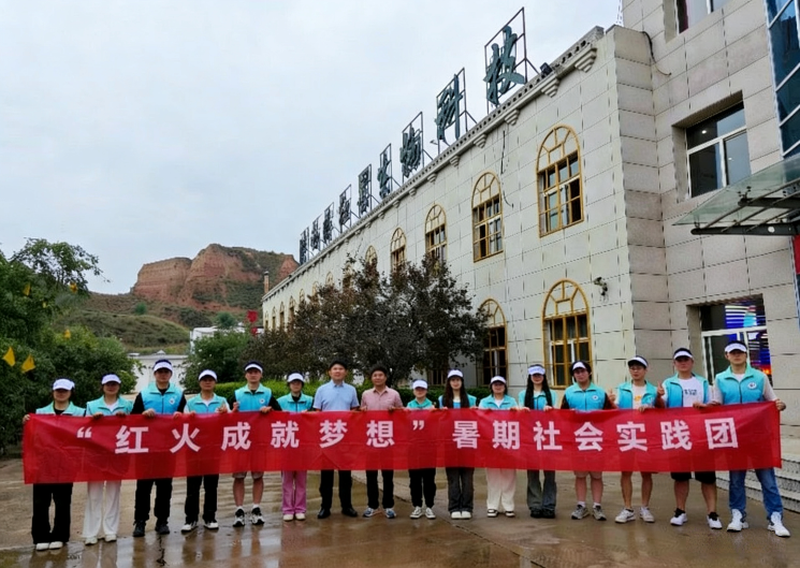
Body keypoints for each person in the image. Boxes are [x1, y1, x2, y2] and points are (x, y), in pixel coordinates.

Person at [711, 340, 790, 537]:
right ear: (727, 356)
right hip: (735, 437)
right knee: (736, 479)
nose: (737, 355)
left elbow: (773, 400)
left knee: (767, 479)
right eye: (733, 353)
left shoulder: (760, 377)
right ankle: (738, 515)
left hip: (759, 436)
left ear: (746, 355)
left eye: (740, 352)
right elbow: (717, 404)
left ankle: (775, 517)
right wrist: (705, 407)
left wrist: (780, 405)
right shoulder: (720, 378)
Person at [658, 347, 722, 529]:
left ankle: (712, 513)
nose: (683, 363)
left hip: (701, 436)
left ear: (692, 362)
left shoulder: (703, 383)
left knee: (707, 477)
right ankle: (680, 511)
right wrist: (658, 396)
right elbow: (661, 407)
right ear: (674, 364)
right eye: (679, 360)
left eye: (686, 359)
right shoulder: (668, 383)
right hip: (678, 435)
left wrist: (705, 406)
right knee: (680, 477)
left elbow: (713, 405)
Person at [25, 378, 84, 551]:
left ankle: (60, 535)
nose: (61, 393)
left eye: (65, 390)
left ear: (71, 392)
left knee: (62, 501)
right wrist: (27, 421)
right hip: (42, 463)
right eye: (58, 390)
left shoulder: (80, 413)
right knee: (40, 501)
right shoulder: (40, 412)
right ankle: (41, 536)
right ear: (53, 392)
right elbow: (33, 436)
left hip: (66, 463)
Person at [132, 359, 185, 537]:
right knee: (143, 487)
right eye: (160, 372)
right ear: (154, 374)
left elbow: (186, 418)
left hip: (168, 448)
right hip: (146, 448)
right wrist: (142, 415)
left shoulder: (178, 394)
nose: (163, 375)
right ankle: (140, 521)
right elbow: (133, 418)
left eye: (166, 372)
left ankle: (162, 520)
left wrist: (180, 416)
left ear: (170, 374)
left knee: (165, 486)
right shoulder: (144, 394)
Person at [229, 360, 281, 527]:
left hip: (259, 442)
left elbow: (280, 414)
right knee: (239, 477)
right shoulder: (237, 394)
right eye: (250, 372)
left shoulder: (268, 393)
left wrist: (270, 410)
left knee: (258, 475)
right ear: (246, 375)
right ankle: (239, 510)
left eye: (256, 372)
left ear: (261, 375)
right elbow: (225, 417)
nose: (253, 375)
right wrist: (233, 411)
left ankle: (256, 508)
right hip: (240, 441)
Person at [611, 356, 663, 524]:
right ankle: (627, 508)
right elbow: (615, 409)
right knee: (626, 472)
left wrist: (657, 400)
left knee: (646, 473)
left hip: (646, 436)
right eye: (632, 368)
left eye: (639, 368)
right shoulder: (622, 389)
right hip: (626, 434)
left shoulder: (653, 390)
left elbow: (662, 410)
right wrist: (610, 402)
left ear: (646, 370)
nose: (635, 371)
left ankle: (645, 507)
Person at [82, 374, 133, 545]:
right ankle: (91, 532)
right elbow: (82, 428)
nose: (111, 387)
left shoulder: (127, 405)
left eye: (114, 384)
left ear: (119, 386)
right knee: (94, 494)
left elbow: (135, 426)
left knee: (113, 493)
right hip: (96, 455)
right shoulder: (91, 405)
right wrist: (92, 419)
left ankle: (110, 530)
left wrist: (125, 418)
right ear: (102, 386)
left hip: (118, 454)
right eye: (108, 384)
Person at [561, 360, 615, 521]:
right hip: (577, 439)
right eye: (576, 372)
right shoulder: (569, 393)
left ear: (589, 372)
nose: (580, 374)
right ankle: (581, 506)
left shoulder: (600, 392)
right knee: (580, 474)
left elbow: (611, 414)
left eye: (583, 371)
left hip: (596, 438)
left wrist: (612, 402)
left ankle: (597, 506)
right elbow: (562, 416)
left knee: (596, 475)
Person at [182, 369, 229, 533]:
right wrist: (188, 417)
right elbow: (183, 422)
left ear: (215, 382)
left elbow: (230, 422)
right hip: (194, 449)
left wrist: (227, 414)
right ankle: (191, 518)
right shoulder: (191, 403)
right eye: (204, 379)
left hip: (213, 449)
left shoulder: (222, 402)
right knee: (192, 486)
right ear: (199, 382)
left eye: (210, 379)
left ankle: (210, 517)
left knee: (211, 485)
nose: (207, 382)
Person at [313, 358, 360, 519]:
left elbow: (354, 411)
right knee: (326, 475)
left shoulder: (351, 390)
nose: (338, 371)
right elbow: (317, 413)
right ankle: (325, 506)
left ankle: (347, 506)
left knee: (345, 474)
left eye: (341, 369)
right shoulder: (321, 390)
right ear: (329, 372)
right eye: (335, 369)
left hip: (345, 437)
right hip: (327, 437)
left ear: (346, 372)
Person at [360, 364, 403, 519]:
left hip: (387, 439)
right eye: (375, 375)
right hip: (371, 438)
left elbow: (402, 413)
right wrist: (362, 412)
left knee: (387, 474)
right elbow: (360, 414)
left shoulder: (394, 394)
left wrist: (395, 411)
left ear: (385, 377)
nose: (377, 378)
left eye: (380, 375)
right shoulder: (366, 394)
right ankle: (372, 505)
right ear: (371, 378)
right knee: (371, 474)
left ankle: (388, 505)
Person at [518, 364, 557, 518]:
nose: (537, 377)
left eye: (539, 375)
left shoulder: (551, 394)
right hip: (530, 437)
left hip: (548, 436)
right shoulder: (523, 394)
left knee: (550, 474)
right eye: (534, 375)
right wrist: (522, 411)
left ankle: (549, 505)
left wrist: (551, 411)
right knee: (532, 473)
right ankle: (535, 504)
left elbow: (558, 413)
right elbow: (519, 414)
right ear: (530, 377)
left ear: (543, 376)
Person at [439, 369, 477, 520]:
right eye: (452, 380)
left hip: (468, 442)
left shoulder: (471, 399)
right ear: (449, 382)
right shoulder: (442, 399)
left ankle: (467, 506)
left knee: (467, 478)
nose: (455, 383)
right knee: (453, 478)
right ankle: (454, 507)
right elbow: (439, 422)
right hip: (450, 443)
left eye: (458, 380)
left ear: (462, 382)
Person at [478, 376, 518, 518]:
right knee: (493, 476)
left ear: (505, 386)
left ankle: (508, 505)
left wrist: (515, 412)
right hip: (491, 443)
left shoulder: (511, 401)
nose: (498, 386)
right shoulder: (484, 402)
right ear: (491, 387)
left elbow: (518, 420)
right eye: (495, 384)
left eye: (501, 384)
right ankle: (492, 505)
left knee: (509, 475)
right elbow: (480, 421)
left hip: (508, 442)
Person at [276, 372, 314, 522]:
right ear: (289, 385)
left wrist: (309, 414)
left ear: (302, 384)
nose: (296, 385)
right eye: (293, 382)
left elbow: (317, 418)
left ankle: (300, 509)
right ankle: (287, 509)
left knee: (301, 480)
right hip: (286, 445)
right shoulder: (280, 401)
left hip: (303, 445)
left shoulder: (310, 401)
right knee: (286, 480)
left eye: (298, 382)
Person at [406, 379, 436, 520]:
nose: (419, 391)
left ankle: (429, 506)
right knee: (414, 479)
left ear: (426, 391)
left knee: (429, 479)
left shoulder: (432, 407)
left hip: (429, 447)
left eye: (422, 389)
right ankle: (417, 505)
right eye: (417, 389)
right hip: (413, 447)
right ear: (413, 391)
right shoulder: (409, 407)